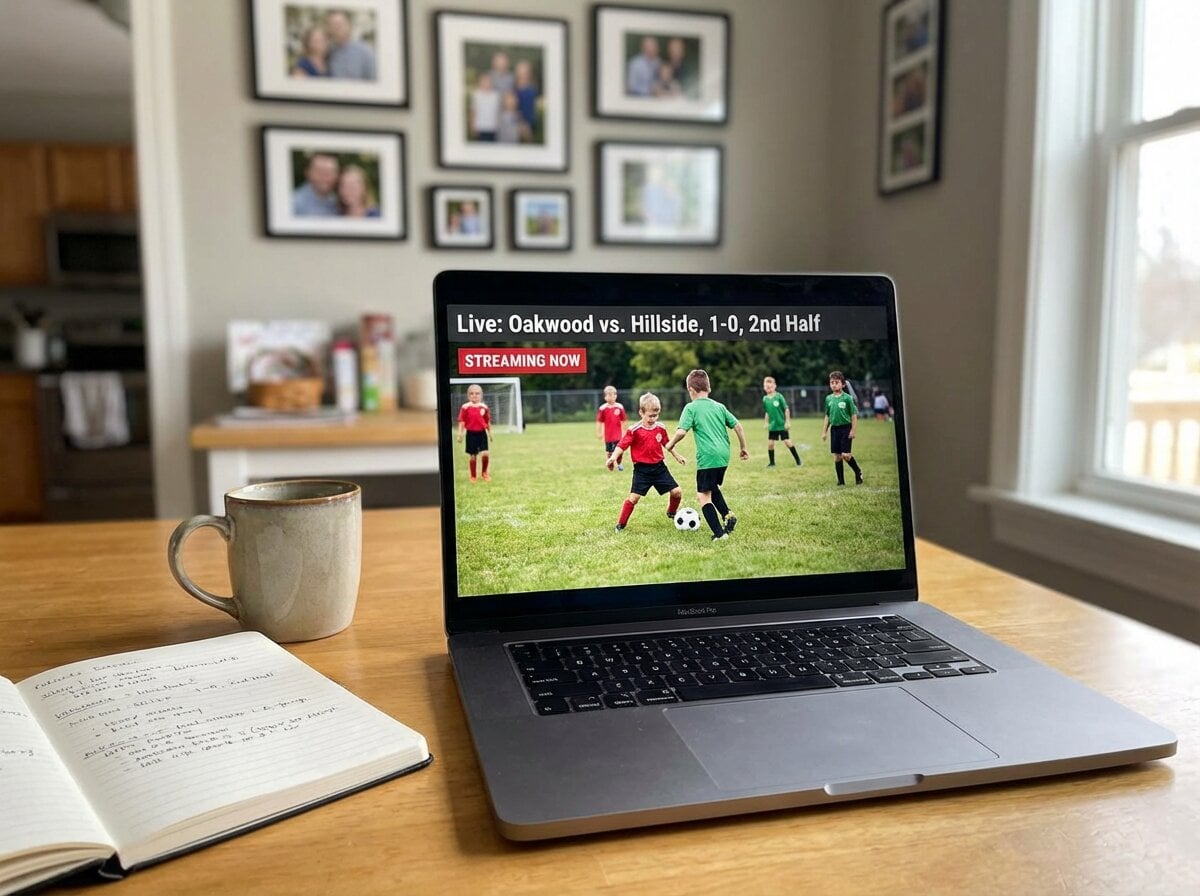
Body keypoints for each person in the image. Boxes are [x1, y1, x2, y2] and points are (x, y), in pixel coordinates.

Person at [664, 369, 748, 541]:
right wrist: (743, 448)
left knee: (703, 495)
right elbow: (738, 426)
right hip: (724, 456)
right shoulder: (719, 406)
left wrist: (670, 444)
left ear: (690, 390)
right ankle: (728, 515)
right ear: (708, 388)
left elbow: (681, 432)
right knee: (712, 487)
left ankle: (719, 534)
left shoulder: (691, 408)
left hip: (708, 457)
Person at [606, 392, 685, 531]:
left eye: (656, 415)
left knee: (677, 492)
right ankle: (621, 524)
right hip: (642, 470)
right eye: (650, 415)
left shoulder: (661, 427)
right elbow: (621, 445)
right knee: (634, 498)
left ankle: (672, 512)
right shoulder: (634, 430)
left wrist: (677, 455)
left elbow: (667, 443)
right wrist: (613, 457)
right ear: (641, 413)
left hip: (659, 468)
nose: (653, 419)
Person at [822, 370, 864, 486]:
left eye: (836, 382)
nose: (834, 384)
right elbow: (827, 416)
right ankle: (841, 482)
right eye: (832, 382)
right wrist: (824, 431)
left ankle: (858, 471)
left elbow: (854, 415)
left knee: (846, 455)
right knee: (837, 456)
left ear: (843, 384)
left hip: (845, 429)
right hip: (834, 429)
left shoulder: (848, 398)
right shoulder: (828, 399)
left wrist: (853, 430)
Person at [762, 376, 802, 467]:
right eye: (766, 387)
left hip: (781, 425)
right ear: (764, 387)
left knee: (787, 442)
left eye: (770, 386)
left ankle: (798, 460)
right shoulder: (765, 399)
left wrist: (787, 422)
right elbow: (767, 412)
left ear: (774, 386)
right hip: (773, 426)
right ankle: (772, 463)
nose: (768, 388)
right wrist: (766, 422)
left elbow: (786, 409)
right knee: (770, 444)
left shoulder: (779, 397)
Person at [325, 9, 377, 80]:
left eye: (338, 25)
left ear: (349, 26)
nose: (335, 29)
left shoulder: (365, 52)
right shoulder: (328, 53)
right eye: (332, 25)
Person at [456, 383, 491, 482]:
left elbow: (487, 421)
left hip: (482, 433)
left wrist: (490, 433)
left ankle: (484, 473)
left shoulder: (484, 407)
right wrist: (460, 433)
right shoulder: (465, 407)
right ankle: (473, 476)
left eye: (477, 393)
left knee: (485, 453)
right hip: (471, 434)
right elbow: (462, 421)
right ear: (468, 395)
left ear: (481, 395)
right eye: (471, 393)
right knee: (473, 456)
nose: (474, 395)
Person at [292, 152, 340, 217]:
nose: (325, 177)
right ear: (308, 173)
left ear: (336, 175)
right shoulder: (294, 204)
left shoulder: (338, 202)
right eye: (319, 171)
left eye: (330, 172)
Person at [596, 385, 628, 471]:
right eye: (608, 395)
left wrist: (625, 431)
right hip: (608, 436)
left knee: (619, 450)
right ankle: (610, 465)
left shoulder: (619, 407)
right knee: (609, 452)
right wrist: (599, 432)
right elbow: (599, 421)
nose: (611, 397)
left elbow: (624, 420)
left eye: (613, 394)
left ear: (616, 396)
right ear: (605, 397)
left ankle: (619, 463)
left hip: (618, 435)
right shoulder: (603, 408)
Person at [470, 72, 500, 142]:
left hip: (493, 127)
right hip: (480, 127)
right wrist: (472, 125)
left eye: (488, 81)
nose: (486, 83)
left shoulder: (495, 95)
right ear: (480, 83)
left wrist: (498, 126)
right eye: (484, 81)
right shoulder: (476, 95)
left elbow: (497, 112)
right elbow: (473, 111)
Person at [513, 59, 540, 139]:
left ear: (528, 73)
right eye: (520, 72)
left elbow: (529, 109)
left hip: (528, 122)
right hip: (515, 121)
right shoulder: (513, 88)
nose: (522, 74)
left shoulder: (531, 90)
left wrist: (525, 124)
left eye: (525, 72)